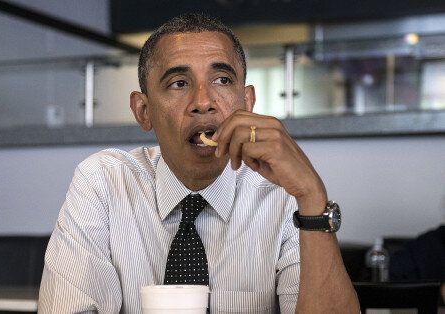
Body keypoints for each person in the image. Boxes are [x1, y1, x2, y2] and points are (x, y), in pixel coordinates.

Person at [39, 13, 359, 313]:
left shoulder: (281, 191)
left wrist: (312, 196)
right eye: (179, 83)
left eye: (221, 79)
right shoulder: (103, 182)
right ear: (144, 111)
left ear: (247, 102)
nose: (203, 102)